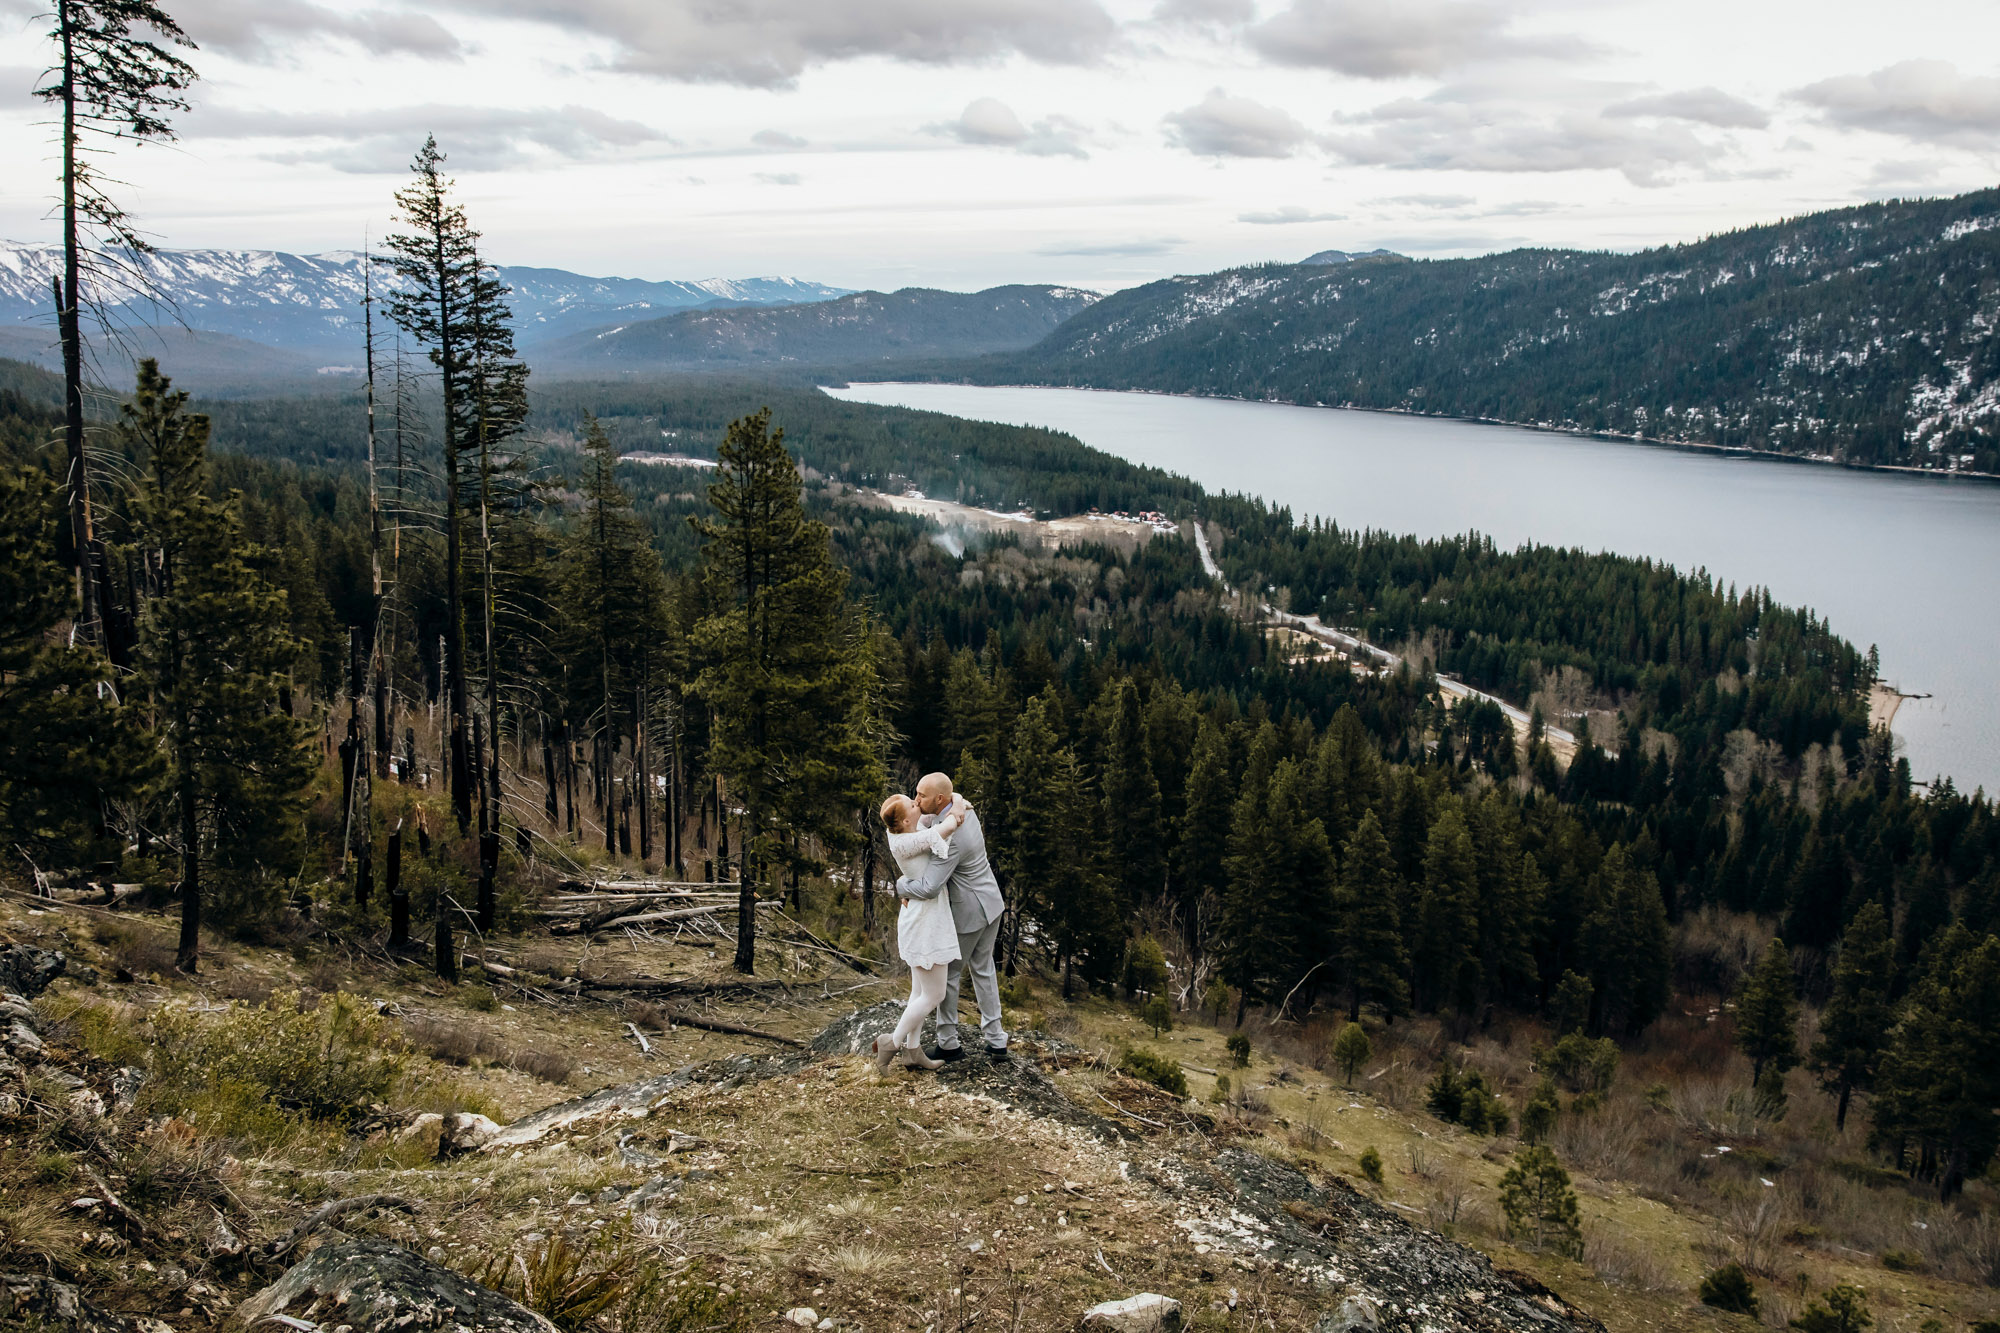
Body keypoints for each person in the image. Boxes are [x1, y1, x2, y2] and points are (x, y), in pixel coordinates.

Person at [894, 772, 1008, 1062]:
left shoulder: (951, 840)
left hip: (968, 912)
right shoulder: (964, 810)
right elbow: (945, 811)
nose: (916, 799)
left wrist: (900, 886)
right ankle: (996, 1040)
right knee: (984, 969)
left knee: (951, 974)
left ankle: (947, 1043)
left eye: (922, 795)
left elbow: (930, 887)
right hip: (991, 902)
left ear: (940, 799)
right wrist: (957, 799)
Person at [871, 792, 968, 1073]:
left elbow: (930, 816)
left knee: (918, 991)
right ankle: (893, 1041)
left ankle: (913, 1052)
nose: (918, 803)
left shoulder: (905, 828)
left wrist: (955, 797)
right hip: (926, 921)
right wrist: (958, 803)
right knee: (934, 995)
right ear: (904, 819)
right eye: (912, 804)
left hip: (921, 916)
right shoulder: (910, 840)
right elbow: (950, 825)